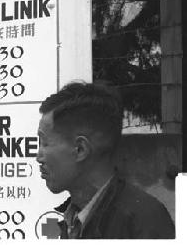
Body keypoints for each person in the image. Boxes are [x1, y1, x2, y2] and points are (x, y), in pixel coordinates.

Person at [36, 81, 175, 239]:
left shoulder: (143, 222)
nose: (38, 157)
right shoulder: (73, 220)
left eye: (44, 143)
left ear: (80, 150)